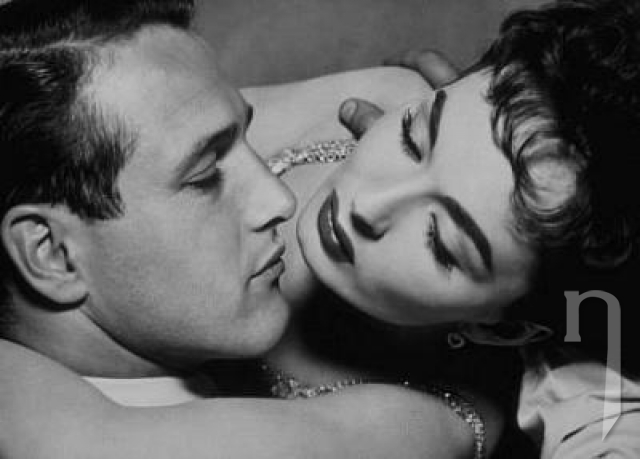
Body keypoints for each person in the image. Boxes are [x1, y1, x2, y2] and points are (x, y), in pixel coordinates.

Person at [2, 0, 639, 457]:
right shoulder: (380, 94)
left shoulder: (420, 423)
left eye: (442, 242)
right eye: (414, 137)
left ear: (500, 325)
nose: (368, 204)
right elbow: (107, 123)